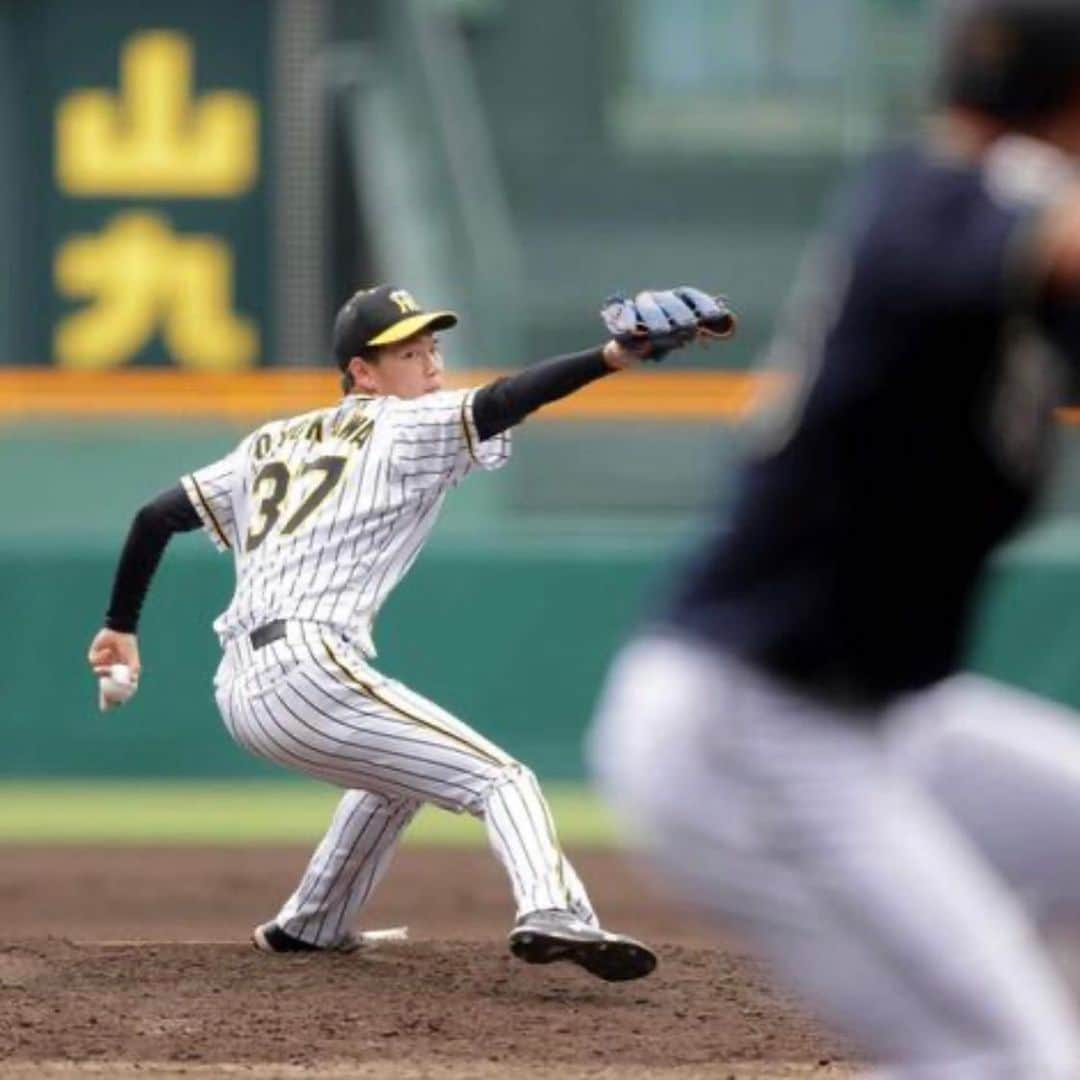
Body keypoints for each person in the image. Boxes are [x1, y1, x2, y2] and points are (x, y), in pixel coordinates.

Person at [591, 0, 1080, 1073]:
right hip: (749, 725)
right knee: (1008, 1059)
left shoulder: (1002, 247)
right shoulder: (937, 198)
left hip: (888, 720)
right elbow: (1018, 236)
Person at [86, 282, 729, 982]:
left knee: (397, 779)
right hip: (308, 665)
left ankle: (311, 923)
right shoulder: (403, 424)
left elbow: (154, 516)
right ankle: (553, 910)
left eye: (432, 349)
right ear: (362, 372)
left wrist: (121, 626)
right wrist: (612, 356)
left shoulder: (269, 442)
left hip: (243, 686)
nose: (430, 366)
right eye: (409, 353)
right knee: (502, 779)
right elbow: (507, 398)